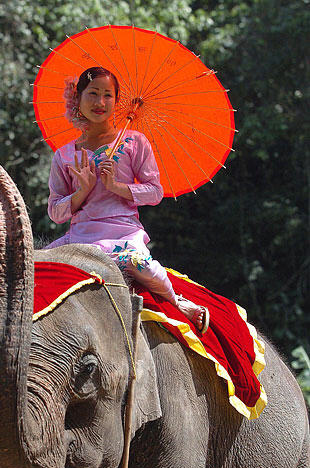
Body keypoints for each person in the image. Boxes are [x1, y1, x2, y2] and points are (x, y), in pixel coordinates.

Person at [47, 66, 209, 333]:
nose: (100, 102)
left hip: (123, 232)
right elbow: (55, 212)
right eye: (93, 94)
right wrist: (82, 192)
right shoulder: (63, 155)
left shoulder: (136, 142)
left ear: (116, 100)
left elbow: (155, 192)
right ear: (77, 99)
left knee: (140, 265)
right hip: (82, 234)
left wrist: (116, 186)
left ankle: (177, 302)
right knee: (38, 267)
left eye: (107, 95)